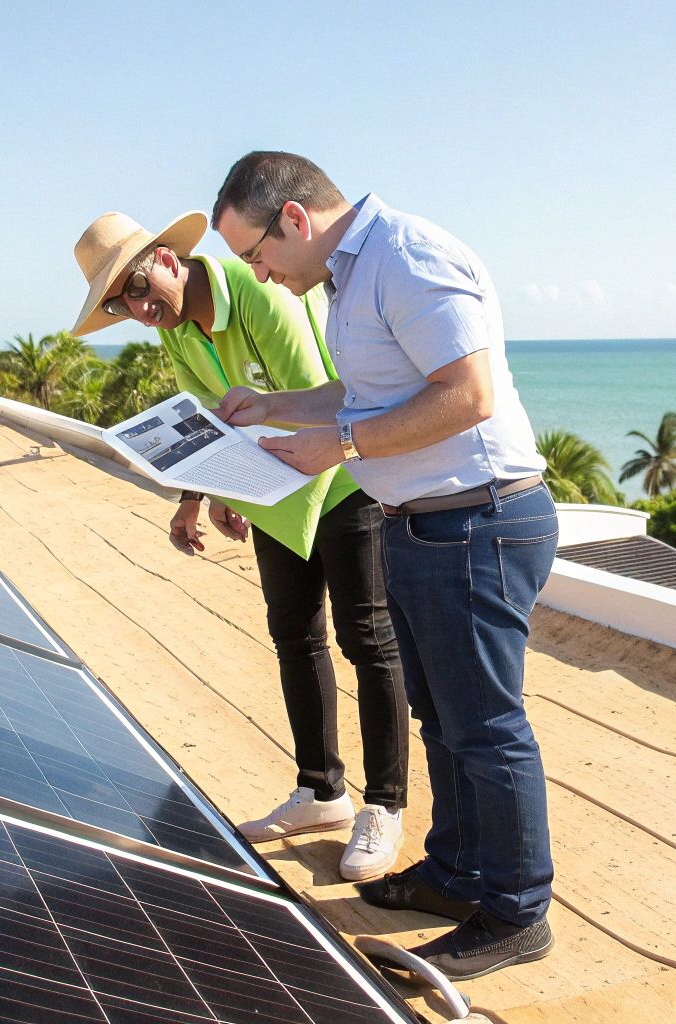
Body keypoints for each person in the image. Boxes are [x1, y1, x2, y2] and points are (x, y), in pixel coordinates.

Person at [210, 153, 558, 980]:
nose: (257, 274)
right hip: (426, 524)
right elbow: (369, 393)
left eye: (255, 255)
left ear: (293, 220)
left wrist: (342, 445)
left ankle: (515, 911)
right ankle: (457, 872)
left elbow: (466, 394)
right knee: (441, 719)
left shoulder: (406, 256)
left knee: (486, 727)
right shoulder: (351, 276)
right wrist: (273, 406)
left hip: (477, 519)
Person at [69, 209, 409, 882]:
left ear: (167, 260)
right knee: (294, 635)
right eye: (119, 304)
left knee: (367, 639)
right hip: (274, 486)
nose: (139, 310)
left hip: (340, 477)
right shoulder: (175, 328)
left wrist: (244, 481)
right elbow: (203, 417)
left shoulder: (256, 291)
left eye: (137, 289)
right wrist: (197, 495)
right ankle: (321, 792)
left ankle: (385, 806)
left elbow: (310, 399)